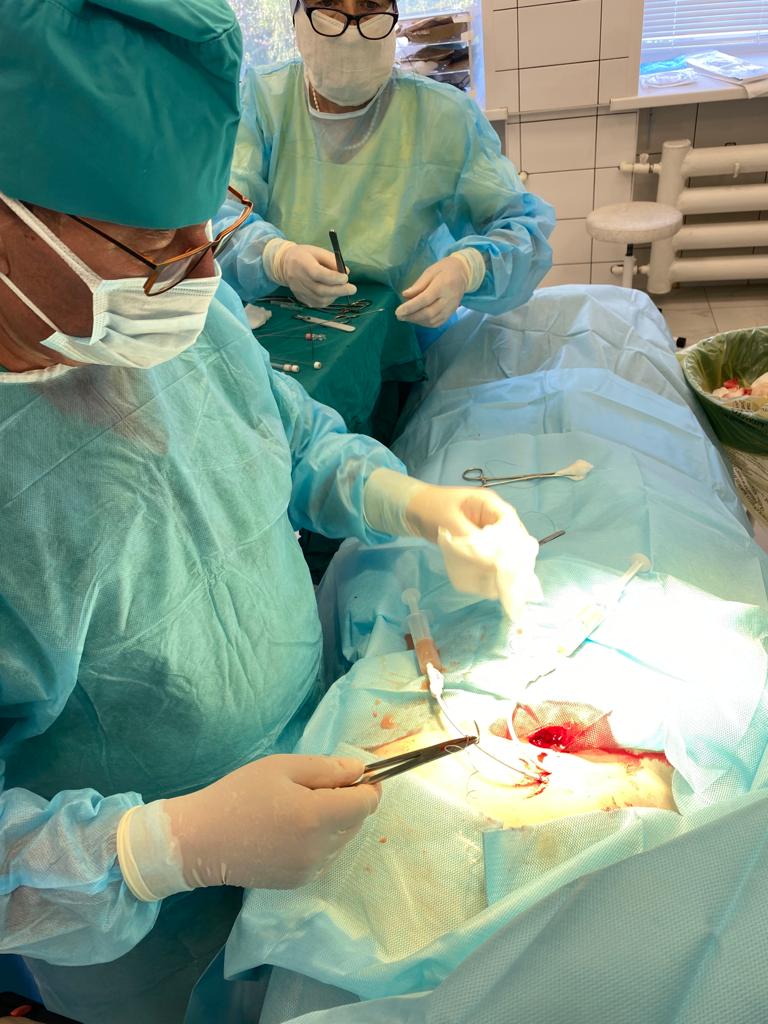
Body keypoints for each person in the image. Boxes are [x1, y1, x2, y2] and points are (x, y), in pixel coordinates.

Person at [0, 3, 542, 1023]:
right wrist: (158, 848)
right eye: (153, 242)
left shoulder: (179, 306)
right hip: (138, 932)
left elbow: (285, 436)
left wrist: (413, 503)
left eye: (210, 224)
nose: (205, 272)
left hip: (308, 762)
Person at [215, 0, 554, 333]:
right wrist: (275, 257)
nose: (349, 29)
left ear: (394, 13)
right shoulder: (264, 101)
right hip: (280, 326)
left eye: (368, 5)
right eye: (328, 3)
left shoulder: (442, 115)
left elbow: (522, 229)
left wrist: (468, 268)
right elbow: (218, 216)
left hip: (404, 330)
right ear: (296, 15)